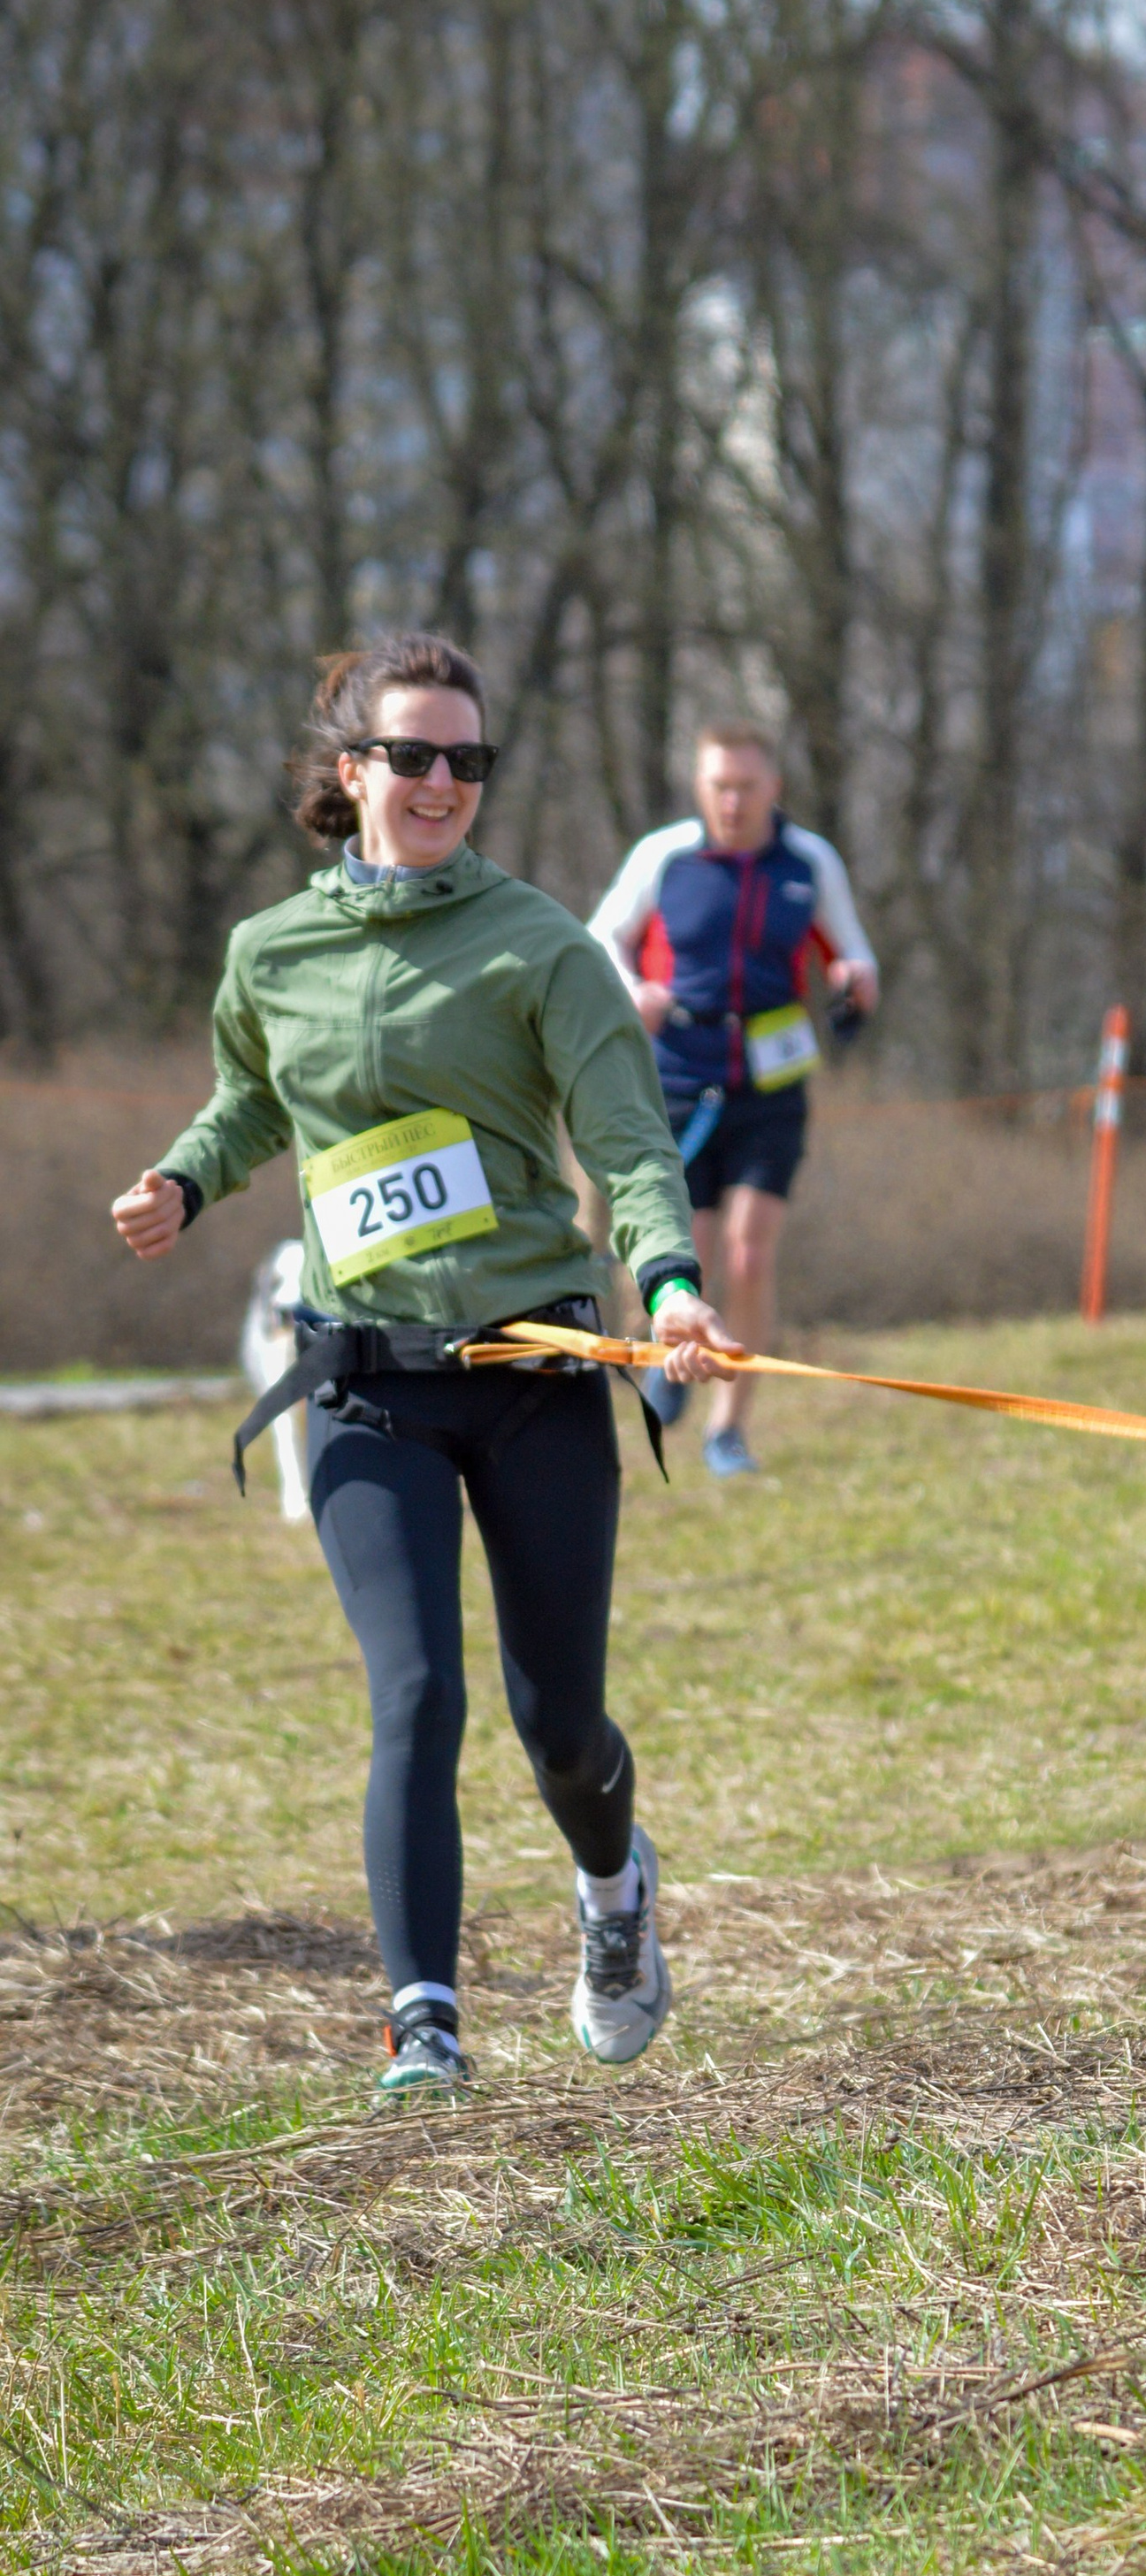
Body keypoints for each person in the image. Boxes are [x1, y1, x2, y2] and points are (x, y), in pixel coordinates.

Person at [110, 631, 737, 2104]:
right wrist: (185, 1181)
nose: (445, 780)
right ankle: (426, 2025)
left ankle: (614, 1885)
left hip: (531, 1375)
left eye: (470, 758)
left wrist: (671, 1280)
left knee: (559, 1725)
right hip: (360, 1380)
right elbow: (252, 1103)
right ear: (352, 773)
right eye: (414, 755)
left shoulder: (542, 949)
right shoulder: (273, 953)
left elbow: (630, 1146)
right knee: (415, 1697)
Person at [589, 726, 877, 1477]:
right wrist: (634, 993)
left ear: (773, 786)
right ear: (699, 786)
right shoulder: (666, 856)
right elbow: (601, 936)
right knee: (692, 1248)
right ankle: (670, 1361)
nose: (733, 801)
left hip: (771, 1082)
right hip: (678, 1077)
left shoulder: (809, 861)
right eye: (719, 785)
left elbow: (853, 950)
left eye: (747, 786)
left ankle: (730, 1426)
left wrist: (854, 979)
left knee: (750, 1252)